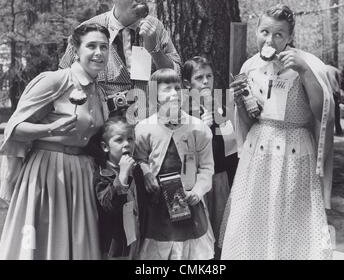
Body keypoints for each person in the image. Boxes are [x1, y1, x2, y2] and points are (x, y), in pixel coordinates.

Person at [220, 5, 335, 260]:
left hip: (294, 149)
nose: (269, 40)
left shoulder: (306, 63)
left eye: (279, 34)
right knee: (255, 213)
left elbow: (321, 111)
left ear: (290, 37)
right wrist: (240, 102)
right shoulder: (249, 66)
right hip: (259, 149)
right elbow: (247, 116)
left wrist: (304, 71)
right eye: (264, 32)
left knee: (292, 214)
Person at [0, 23, 110, 259]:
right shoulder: (56, 80)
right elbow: (14, 128)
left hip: (81, 175)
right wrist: (50, 128)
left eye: (104, 47)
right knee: (46, 242)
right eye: (92, 46)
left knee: (79, 244)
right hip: (47, 174)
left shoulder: (98, 92)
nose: (99, 52)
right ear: (75, 49)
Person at [59, 0, 181, 115]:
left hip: (150, 122)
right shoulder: (87, 30)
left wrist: (154, 49)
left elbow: (177, 75)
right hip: (106, 127)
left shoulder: (155, 27)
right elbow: (63, 78)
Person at [134, 68, 215, 260]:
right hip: (158, 207)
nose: (173, 94)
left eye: (177, 88)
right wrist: (146, 172)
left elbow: (207, 168)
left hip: (189, 202)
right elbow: (139, 158)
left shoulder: (199, 128)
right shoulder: (144, 128)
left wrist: (197, 191)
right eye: (166, 89)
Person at [182, 56, 238, 258]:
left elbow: (231, 149)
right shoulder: (184, 112)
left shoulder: (222, 106)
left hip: (220, 177)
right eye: (199, 77)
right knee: (199, 230)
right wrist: (202, 128)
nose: (206, 81)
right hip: (196, 181)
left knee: (220, 225)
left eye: (209, 76)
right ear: (187, 83)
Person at [94, 116, 146, 259]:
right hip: (116, 246)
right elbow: (108, 205)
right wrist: (122, 175)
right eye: (119, 140)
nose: (127, 144)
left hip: (137, 237)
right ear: (105, 147)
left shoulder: (136, 171)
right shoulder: (102, 175)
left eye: (130, 139)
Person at [326, 65, 344, 135]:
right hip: (333, 92)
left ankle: (326, 131)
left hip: (324, 91)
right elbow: (339, 83)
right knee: (336, 111)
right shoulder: (336, 70)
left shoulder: (321, 67)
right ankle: (338, 130)